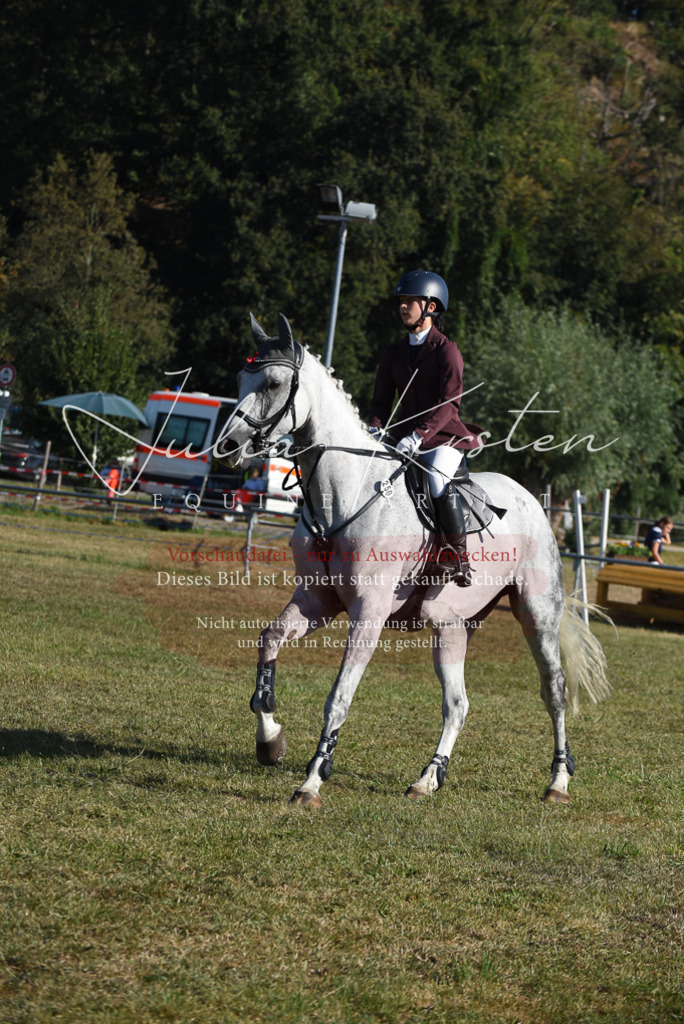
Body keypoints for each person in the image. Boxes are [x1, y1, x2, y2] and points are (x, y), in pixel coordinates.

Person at [368, 270, 482, 586]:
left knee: (434, 479)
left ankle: (457, 558)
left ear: (431, 306)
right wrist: (376, 427)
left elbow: (450, 404)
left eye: (410, 301)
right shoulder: (393, 352)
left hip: (443, 437)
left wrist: (419, 435)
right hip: (404, 436)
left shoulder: (447, 350)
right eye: (401, 301)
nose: (403, 307)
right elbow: (380, 401)